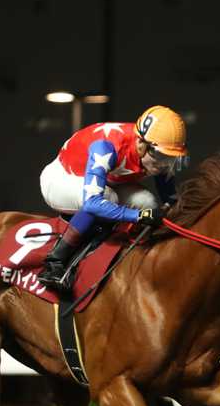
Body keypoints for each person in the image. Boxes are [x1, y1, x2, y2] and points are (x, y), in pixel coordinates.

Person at [37, 105, 189, 290]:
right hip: (61, 179)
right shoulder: (106, 147)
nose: (164, 165)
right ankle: (55, 262)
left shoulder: (153, 146)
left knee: (147, 202)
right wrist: (139, 217)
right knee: (109, 199)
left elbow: (169, 197)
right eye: (160, 157)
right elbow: (93, 203)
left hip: (104, 180)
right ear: (141, 144)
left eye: (171, 158)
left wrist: (174, 207)